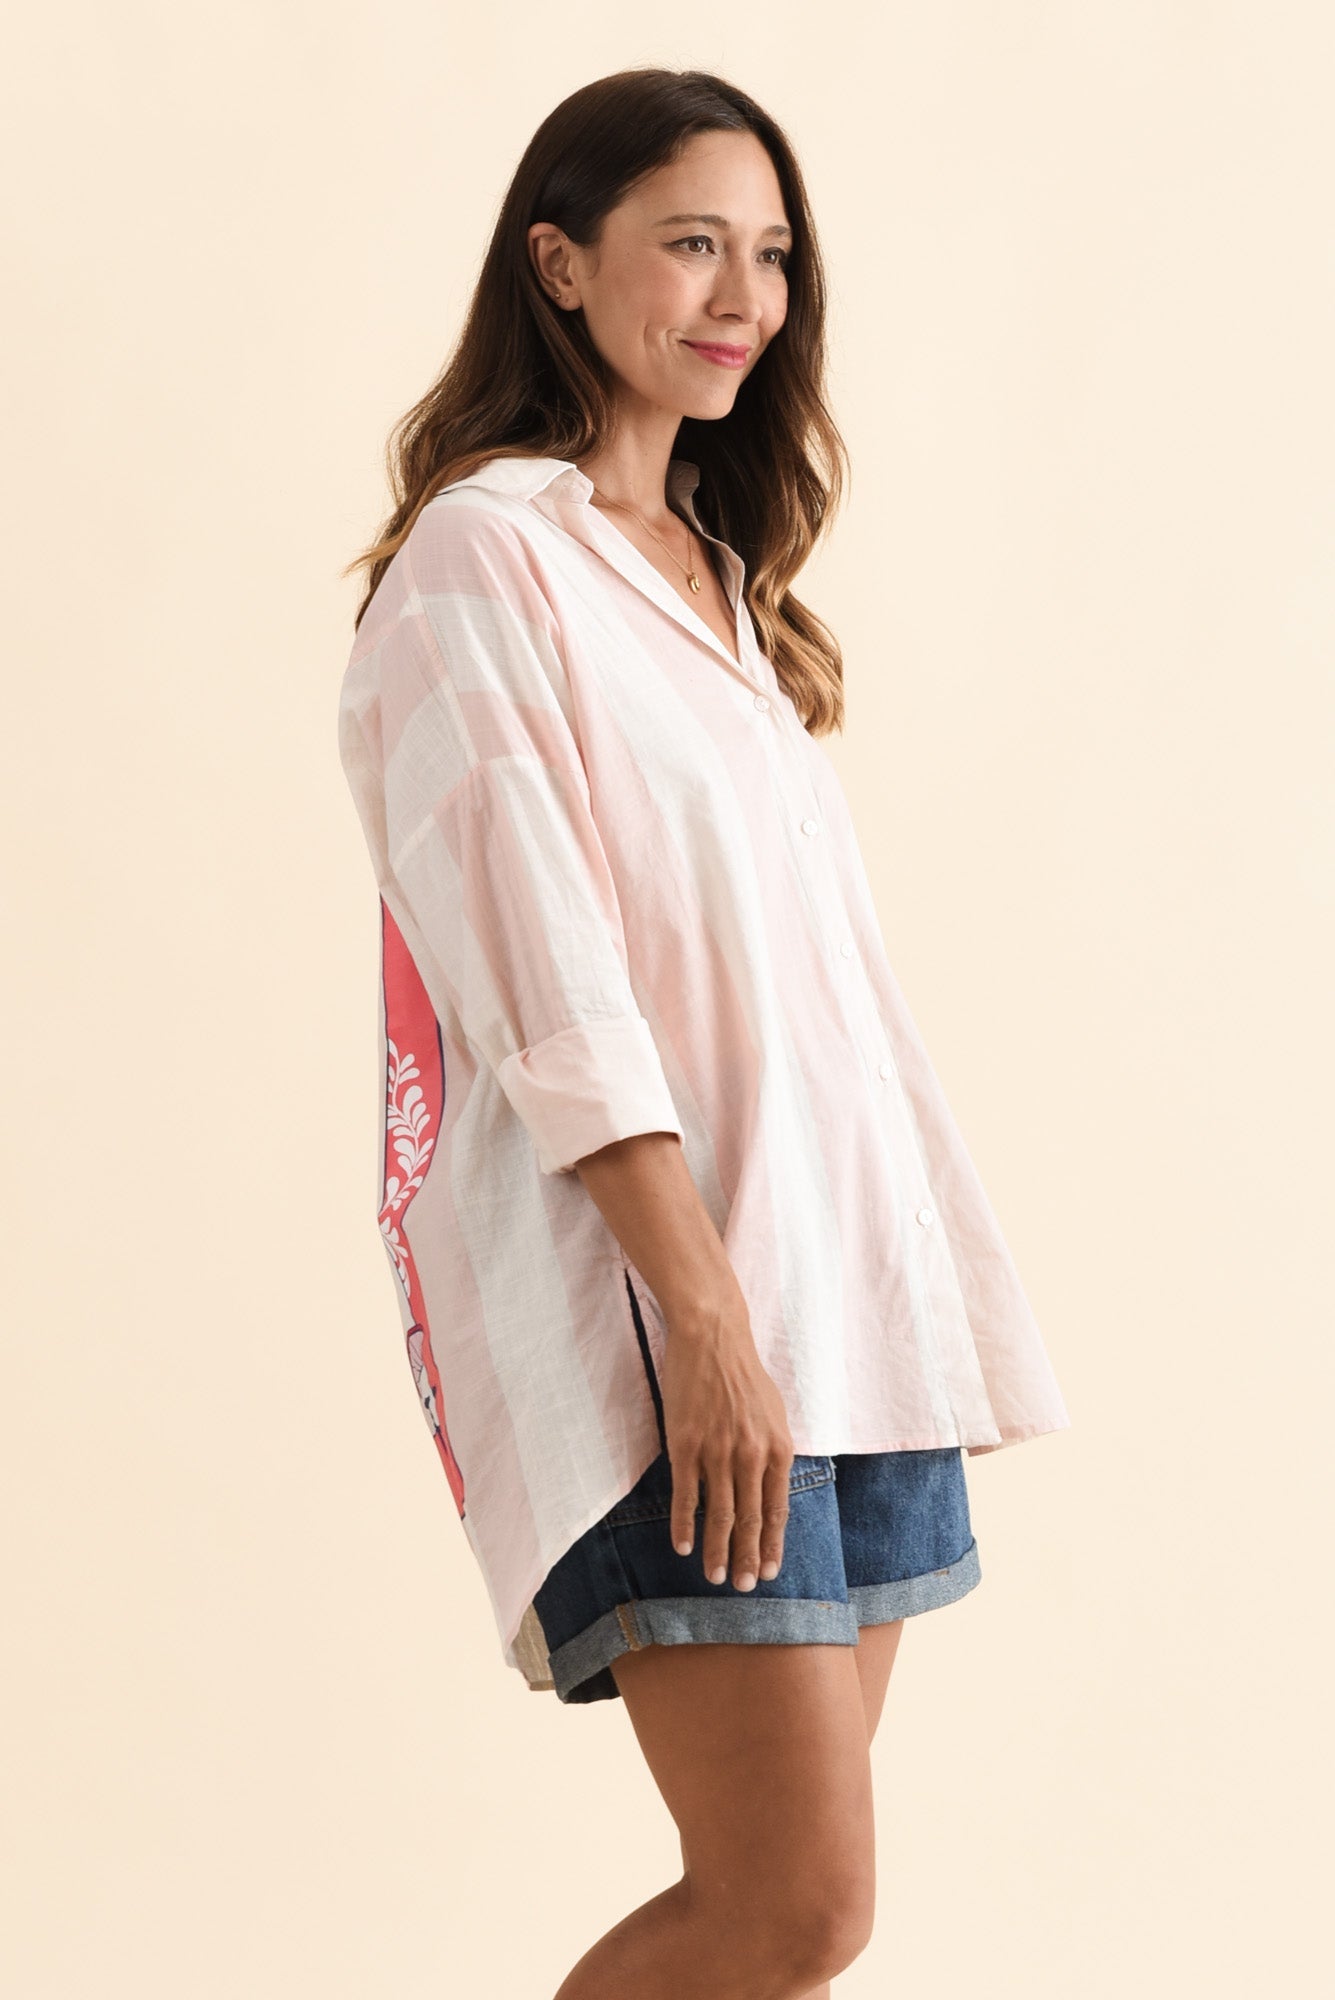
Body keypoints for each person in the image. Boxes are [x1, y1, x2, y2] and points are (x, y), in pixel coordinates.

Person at [337, 65, 1071, 2000]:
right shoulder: (487, 562)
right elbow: (548, 982)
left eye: (771, 253)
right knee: (792, 1905)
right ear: (559, 265)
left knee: (789, 1935)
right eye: (689, 244)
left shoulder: (727, 595)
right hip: (684, 1321)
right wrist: (707, 1327)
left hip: (846, 1309)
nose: (743, 295)